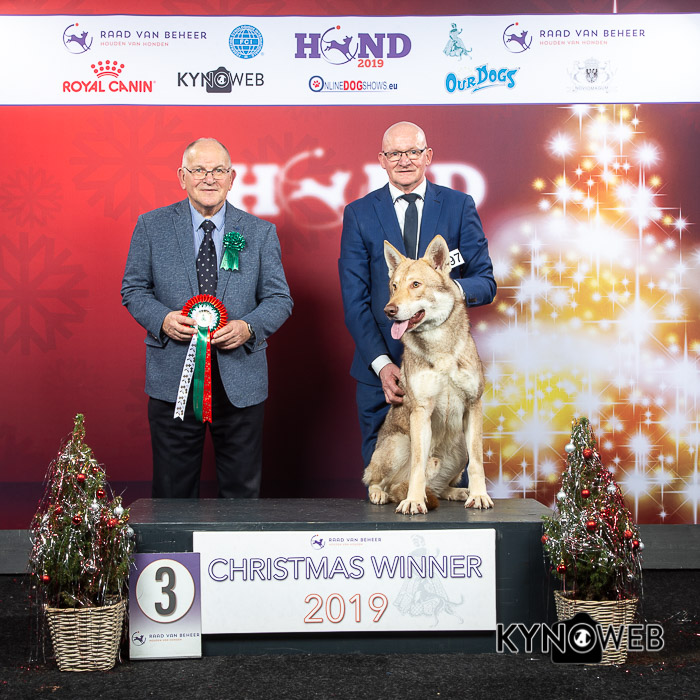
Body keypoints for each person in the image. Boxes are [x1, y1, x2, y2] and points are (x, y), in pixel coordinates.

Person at [121, 137, 293, 498]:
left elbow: (279, 299)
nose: (209, 178)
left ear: (232, 178)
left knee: (242, 495)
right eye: (199, 170)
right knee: (172, 494)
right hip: (172, 381)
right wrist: (163, 319)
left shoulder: (260, 232)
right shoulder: (151, 226)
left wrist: (249, 327)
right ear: (182, 177)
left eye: (218, 170)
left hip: (241, 382)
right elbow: (133, 289)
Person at [339, 121, 496, 469]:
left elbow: (485, 283)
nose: (404, 160)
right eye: (395, 153)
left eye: (413, 151)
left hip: (447, 367)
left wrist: (447, 289)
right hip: (383, 372)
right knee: (386, 482)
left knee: (448, 478)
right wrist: (382, 365)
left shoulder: (458, 206)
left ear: (428, 156)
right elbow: (355, 301)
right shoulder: (359, 214)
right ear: (382, 160)